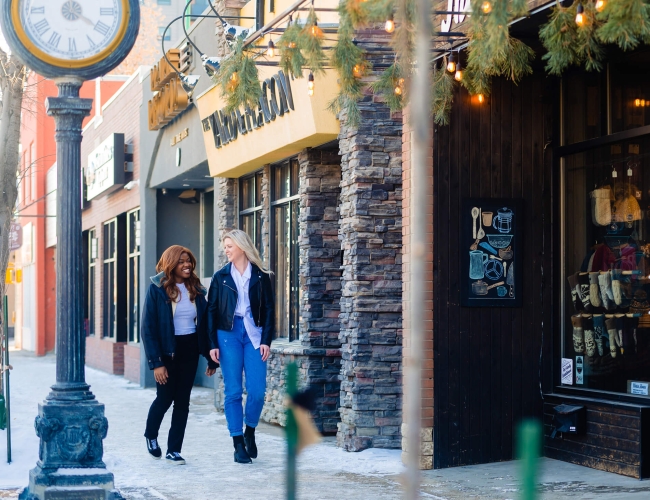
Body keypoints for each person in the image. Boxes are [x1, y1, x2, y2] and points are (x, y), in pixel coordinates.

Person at [141, 245, 218, 465]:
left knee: (182, 402)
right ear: (171, 263)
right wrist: (157, 363)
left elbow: (205, 326)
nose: (187, 265)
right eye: (182, 261)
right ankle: (150, 434)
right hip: (167, 352)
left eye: (189, 261)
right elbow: (148, 328)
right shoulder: (157, 289)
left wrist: (210, 357)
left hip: (189, 349)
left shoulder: (197, 289)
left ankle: (174, 450)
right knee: (165, 398)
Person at [207, 229, 275, 464]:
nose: (225, 250)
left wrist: (266, 339)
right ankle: (237, 443)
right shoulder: (221, 277)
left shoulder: (261, 276)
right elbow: (211, 311)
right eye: (224, 246)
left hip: (254, 334)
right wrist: (212, 344)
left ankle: (250, 432)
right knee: (233, 391)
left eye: (229, 246)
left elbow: (268, 310)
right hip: (228, 334)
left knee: (257, 391)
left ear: (241, 247)